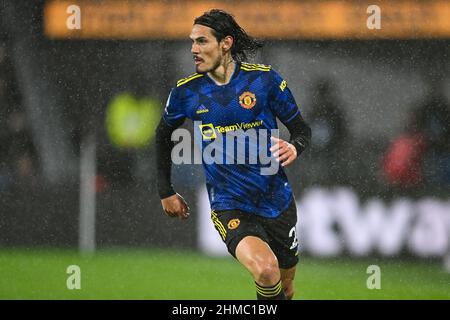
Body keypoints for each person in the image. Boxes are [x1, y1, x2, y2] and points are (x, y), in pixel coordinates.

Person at [155, 9, 311, 300]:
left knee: (285, 289)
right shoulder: (186, 92)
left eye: (202, 42)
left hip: (277, 201)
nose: (194, 50)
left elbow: (301, 129)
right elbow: (163, 135)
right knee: (266, 270)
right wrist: (166, 190)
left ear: (225, 43)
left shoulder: (264, 82)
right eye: (192, 42)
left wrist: (294, 146)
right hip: (230, 205)